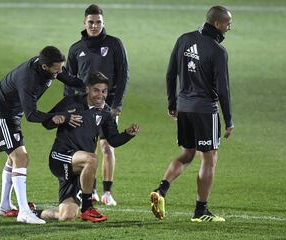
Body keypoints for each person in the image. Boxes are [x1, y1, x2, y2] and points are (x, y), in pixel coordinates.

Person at [150, 5, 234, 222]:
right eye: (228, 23)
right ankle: (201, 210)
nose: (229, 27)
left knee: (187, 153)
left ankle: (161, 190)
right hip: (205, 110)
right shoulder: (218, 51)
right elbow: (223, 89)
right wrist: (229, 120)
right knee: (209, 158)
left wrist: (172, 103)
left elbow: (170, 74)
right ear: (217, 24)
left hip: (184, 107)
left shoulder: (184, 39)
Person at [0, 46, 83, 224]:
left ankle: (5, 206)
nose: (60, 71)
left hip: (13, 115)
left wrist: (91, 86)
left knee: (13, 159)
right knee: (20, 158)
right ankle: (23, 212)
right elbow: (31, 115)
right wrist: (59, 116)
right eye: (57, 69)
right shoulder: (28, 79)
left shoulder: (50, 67)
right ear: (45, 67)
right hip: (1, 116)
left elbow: (69, 79)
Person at [39, 72, 139, 222]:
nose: (101, 95)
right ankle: (87, 207)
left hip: (78, 167)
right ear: (87, 89)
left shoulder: (105, 112)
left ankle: (34, 211)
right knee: (91, 159)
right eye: (96, 90)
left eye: (104, 91)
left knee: (67, 215)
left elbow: (113, 140)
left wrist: (128, 134)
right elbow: (47, 122)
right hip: (60, 157)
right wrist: (62, 118)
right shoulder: (70, 102)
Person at [64, 4, 129, 205]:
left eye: (98, 22)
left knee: (107, 146)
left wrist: (117, 104)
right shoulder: (76, 49)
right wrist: (68, 108)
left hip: (108, 104)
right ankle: (89, 191)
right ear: (84, 23)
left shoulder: (115, 44)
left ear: (103, 23)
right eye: (91, 22)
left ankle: (107, 192)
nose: (94, 26)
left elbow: (123, 74)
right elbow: (69, 80)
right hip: (84, 106)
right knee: (88, 148)